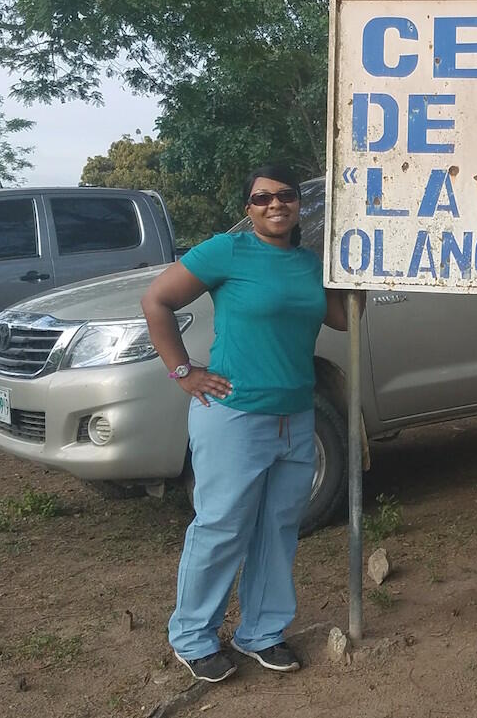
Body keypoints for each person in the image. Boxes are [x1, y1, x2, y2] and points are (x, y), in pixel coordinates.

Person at [141, 165, 350, 682]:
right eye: (262, 198)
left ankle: (261, 631)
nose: (275, 204)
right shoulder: (226, 252)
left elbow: (344, 318)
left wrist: (364, 270)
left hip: (296, 415)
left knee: (278, 529)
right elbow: (157, 300)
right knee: (222, 527)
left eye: (285, 196)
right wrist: (183, 371)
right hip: (234, 416)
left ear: (299, 205)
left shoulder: (308, 263)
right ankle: (193, 637)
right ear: (248, 208)